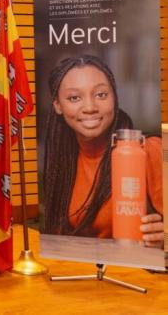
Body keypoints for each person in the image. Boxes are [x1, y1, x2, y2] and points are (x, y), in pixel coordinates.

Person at [42, 55, 163, 245]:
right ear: (58, 105)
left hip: (135, 272)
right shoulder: (63, 162)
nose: (90, 107)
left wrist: (163, 238)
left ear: (114, 97)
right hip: (84, 270)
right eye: (74, 98)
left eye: (101, 95)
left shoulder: (147, 149)